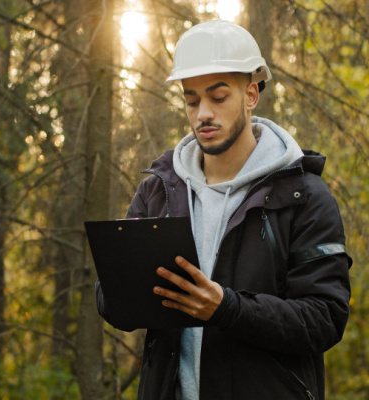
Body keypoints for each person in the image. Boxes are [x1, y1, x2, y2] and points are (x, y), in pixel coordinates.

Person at [96, 20, 352, 400]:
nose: (203, 114)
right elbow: (113, 305)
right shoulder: (158, 190)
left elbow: (324, 319)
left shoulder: (304, 196)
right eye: (192, 99)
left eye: (218, 97)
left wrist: (227, 309)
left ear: (251, 95)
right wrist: (120, 283)